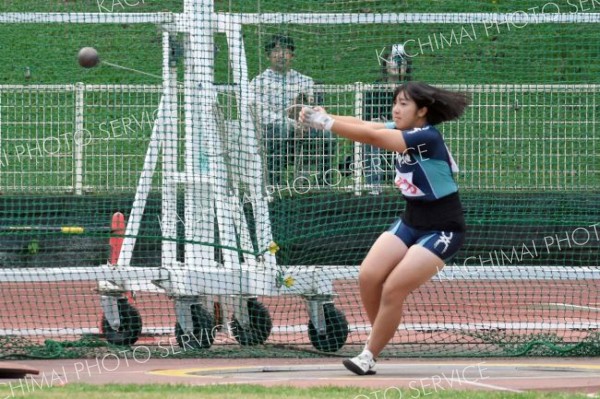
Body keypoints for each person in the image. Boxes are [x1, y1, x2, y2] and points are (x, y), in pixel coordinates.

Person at [299, 82, 469, 375]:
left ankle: (368, 354)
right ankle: (381, 333)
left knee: (392, 288)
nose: (396, 108)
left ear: (422, 111)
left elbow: (372, 137)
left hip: (443, 227)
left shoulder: (426, 137)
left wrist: (325, 123)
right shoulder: (403, 129)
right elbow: (365, 124)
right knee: (368, 276)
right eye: (395, 103)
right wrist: (328, 115)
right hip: (411, 220)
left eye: (404, 104)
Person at [249, 34, 335, 186]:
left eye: (285, 50)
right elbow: (259, 113)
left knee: (327, 133)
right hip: (273, 132)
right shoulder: (258, 82)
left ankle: (324, 183)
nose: (281, 55)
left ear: (292, 55)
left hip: (303, 128)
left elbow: (311, 107)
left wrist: (304, 121)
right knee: (281, 129)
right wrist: (290, 123)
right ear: (268, 54)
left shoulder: (305, 81)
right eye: (276, 50)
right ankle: (275, 183)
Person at [362, 43, 413, 194]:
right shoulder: (375, 88)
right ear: (385, 63)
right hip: (383, 133)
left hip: (405, 134)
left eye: (401, 60)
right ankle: (374, 188)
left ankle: (409, 186)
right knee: (370, 137)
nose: (397, 63)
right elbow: (367, 117)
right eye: (393, 59)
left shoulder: (412, 89)